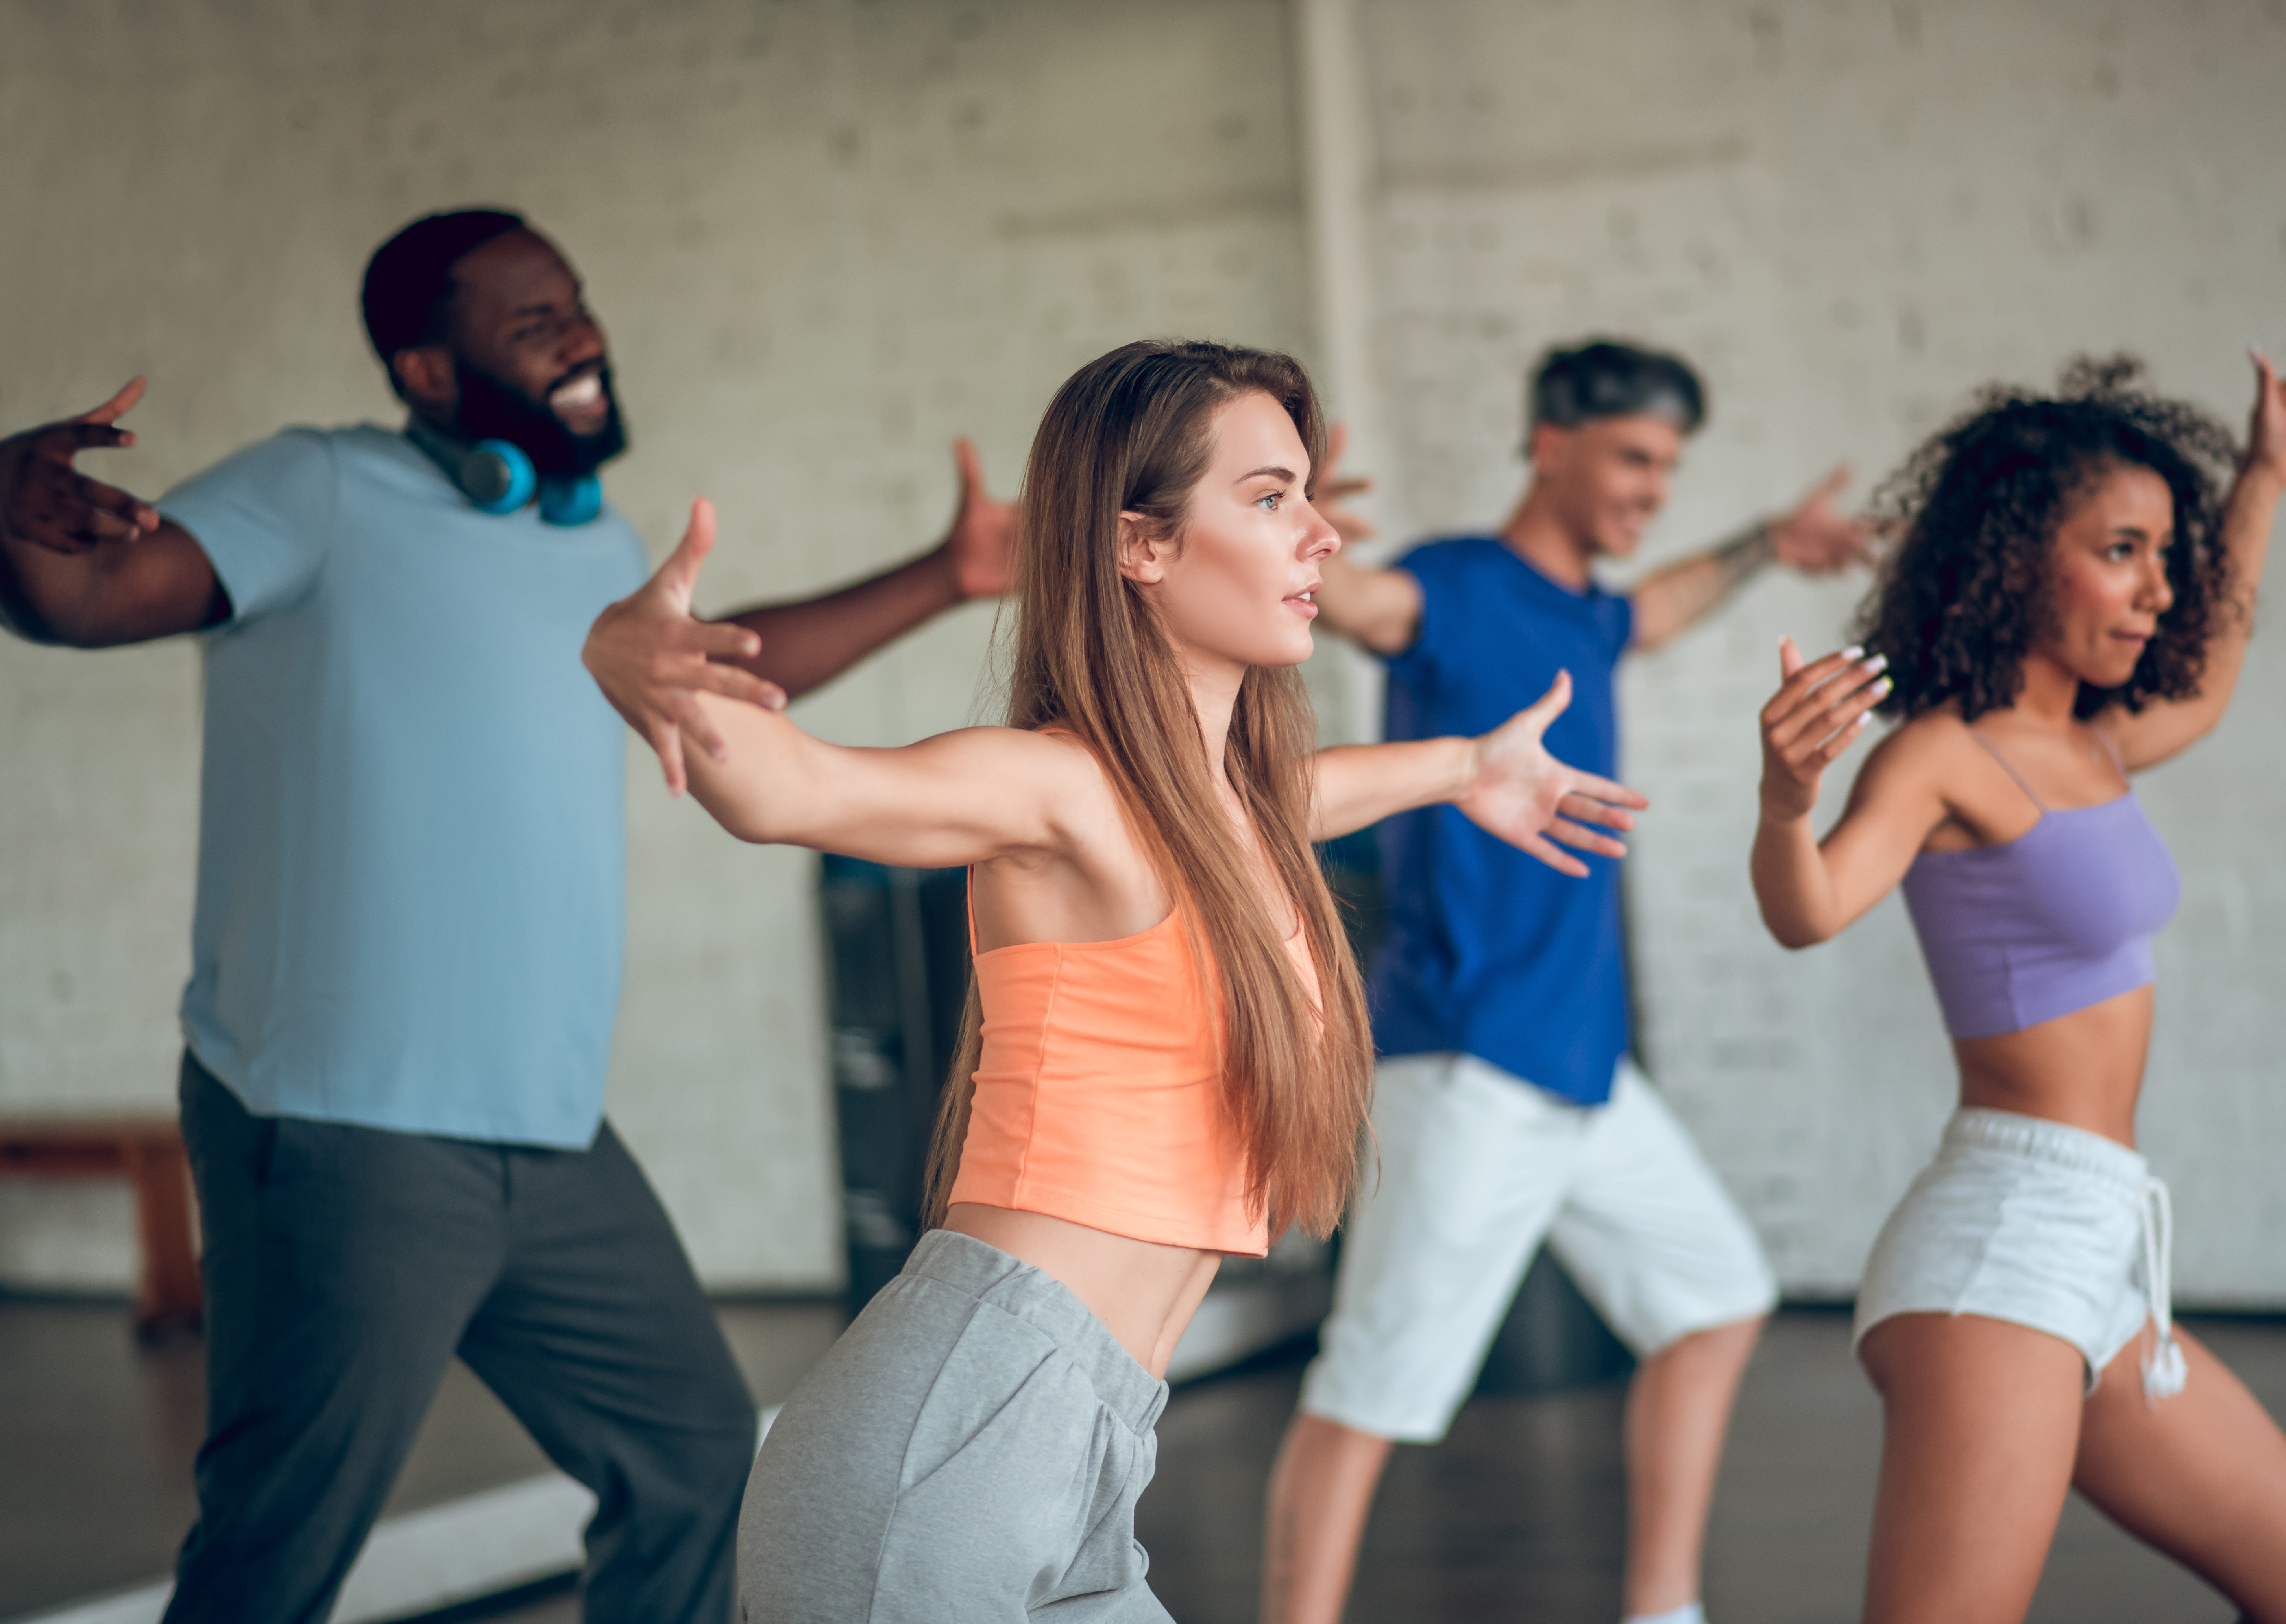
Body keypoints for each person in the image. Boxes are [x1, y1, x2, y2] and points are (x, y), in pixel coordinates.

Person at [0, 207, 1018, 1624]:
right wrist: (6, 502)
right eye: (536, 323)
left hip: (550, 1137)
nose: (582, 335)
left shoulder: (591, 542)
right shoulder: (323, 488)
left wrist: (949, 576)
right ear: (427, 372)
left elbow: (730, 667)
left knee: (694, 1462)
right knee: (277, 1552)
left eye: (578, 304)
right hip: (343, 1132)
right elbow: (89, 593)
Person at [578, 338, 1646, 1620]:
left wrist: (1467, 766)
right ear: (1139, 545)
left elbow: (1299, 800)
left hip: (1086, 1443)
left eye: (1309, 495)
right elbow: (792, 789)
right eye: (1271, 498)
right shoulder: (1057, 787)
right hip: (949, 1442)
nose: (1321, 535)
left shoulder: (1217, 815)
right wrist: (631, 658)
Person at [1749, 352, 2286, 1624]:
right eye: (2123, 552)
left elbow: (2208, 683)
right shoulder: (1941, 756)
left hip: (2103, 1235)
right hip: (2001, 1243)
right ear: (2019, 559)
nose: (2159, 589)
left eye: (2165, 556)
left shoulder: (2092, 742)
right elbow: (1807, 911)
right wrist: (1784, 801)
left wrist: (2265, 478)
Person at [1262, 340, 1873, 1624]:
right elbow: (1360, 603)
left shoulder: (1590, 613)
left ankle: (1663, 1612)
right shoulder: (1452, 587)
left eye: (1669, 465)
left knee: (1716, 1301)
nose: (1654, 488)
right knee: (1367, 1394)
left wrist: (1770, 540)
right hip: (1471, 1066)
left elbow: (1659, 608)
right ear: (1551, 445)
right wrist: (1285, 525)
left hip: (1586, 1072)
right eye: (1634, 457)